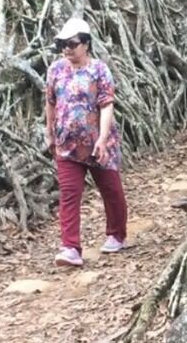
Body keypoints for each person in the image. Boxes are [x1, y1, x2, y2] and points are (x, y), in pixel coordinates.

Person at [46, 18, 129, 268]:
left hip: (97, 144)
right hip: (67, 145)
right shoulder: (56, 70)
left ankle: (117, 233)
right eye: (62, 44)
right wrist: (49, 132)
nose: (67, 49)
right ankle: (70, 247)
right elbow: (51, 102)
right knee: (69, 195)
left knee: (111, 190)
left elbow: (106, 105)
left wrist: (103, 139)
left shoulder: (99, 70)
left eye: (72, 43)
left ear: (86, 43)